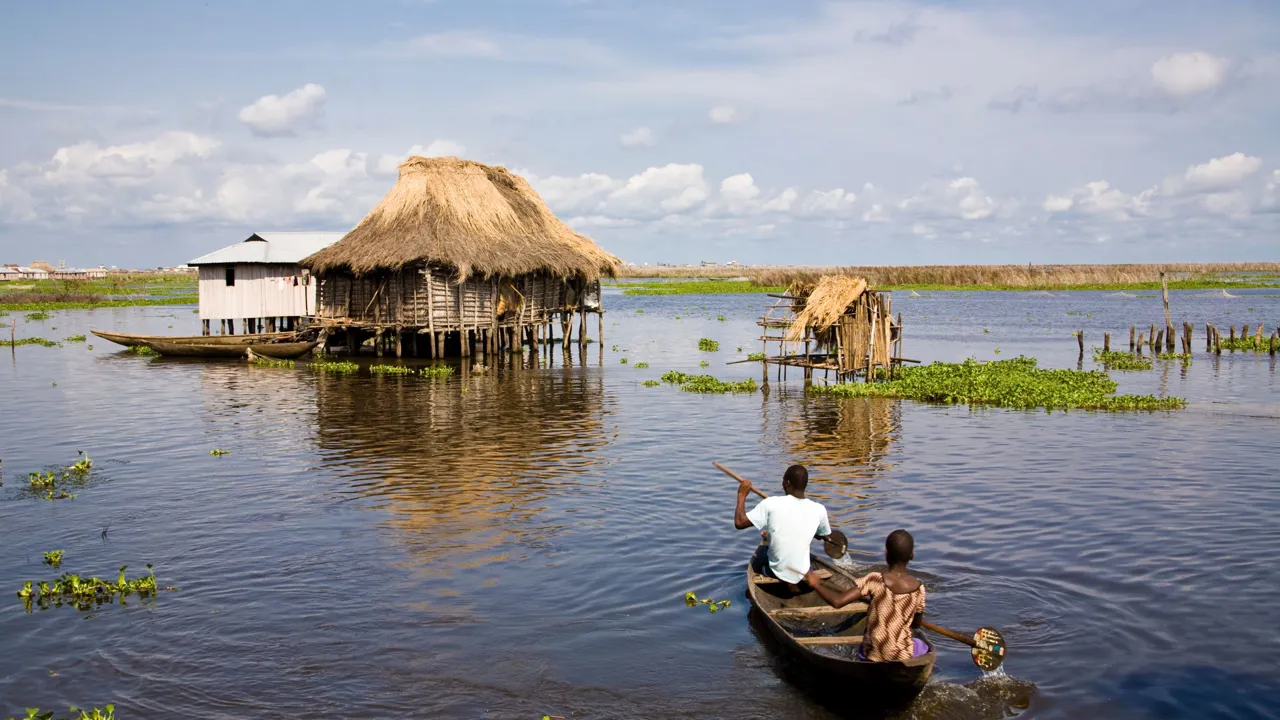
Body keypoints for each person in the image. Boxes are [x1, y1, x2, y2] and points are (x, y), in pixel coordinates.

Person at [804, 529, 927, 662]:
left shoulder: (875, 579)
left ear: (886, 554)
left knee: (865, 645)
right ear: (912, 555)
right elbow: (915, 625)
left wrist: (816, 585)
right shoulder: (919, 588)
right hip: (902, 655)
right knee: (922, 646)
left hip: (873, 654)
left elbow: (837, 602)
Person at [734, 464, 832, 587]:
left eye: (783, 481)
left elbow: (739, 522)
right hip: (802, 574)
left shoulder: (771, 504)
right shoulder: (819, 509)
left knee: (761, 552)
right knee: (807, 560)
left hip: (776, 573)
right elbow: (821, 536)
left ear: (787, 483)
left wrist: (742, 494)